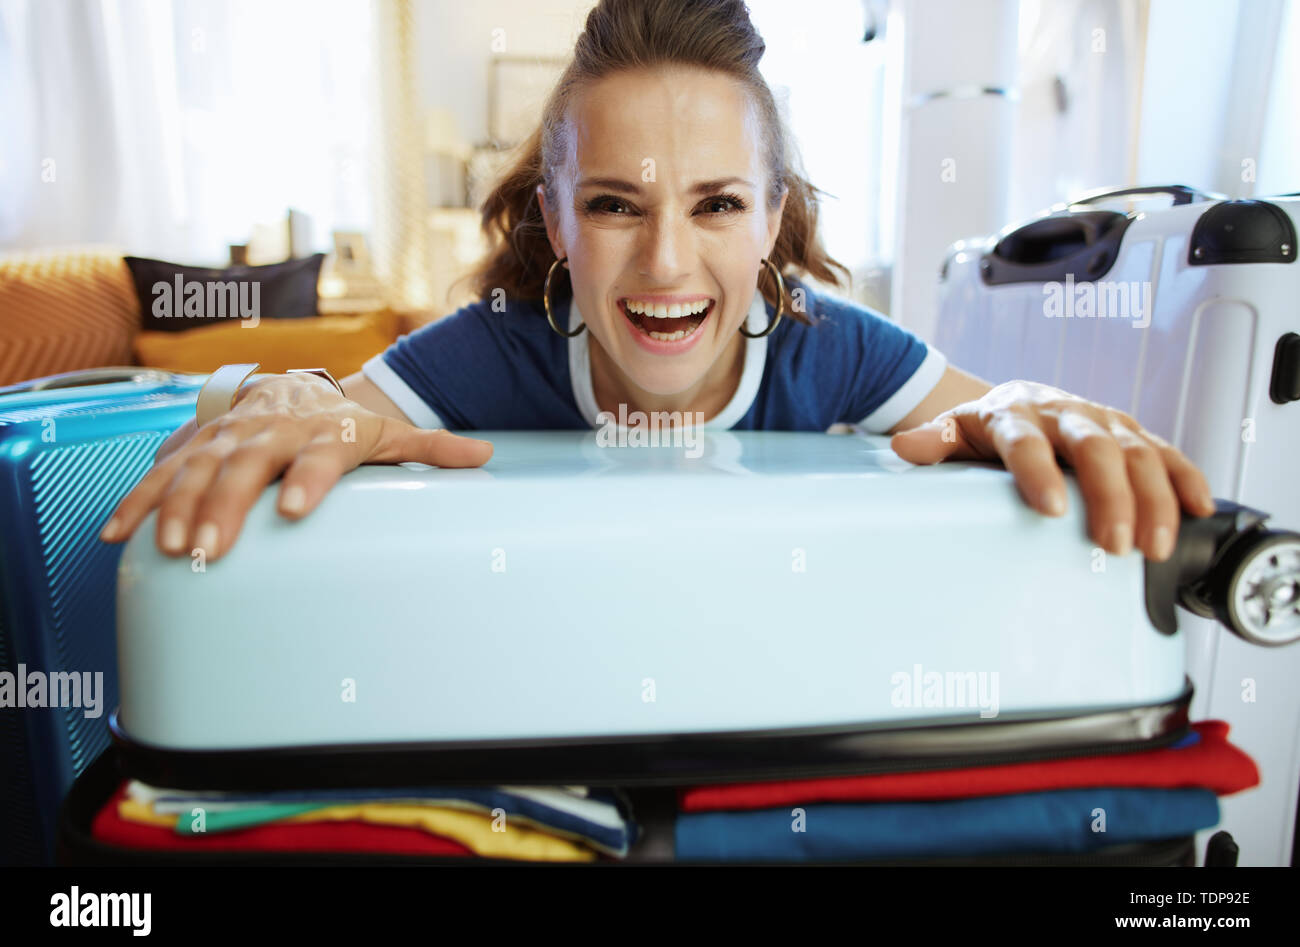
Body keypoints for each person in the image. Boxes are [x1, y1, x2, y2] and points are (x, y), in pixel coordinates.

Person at [100, 0, 1214, 563]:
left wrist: (1025, 402)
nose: (668, 265)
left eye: (718, 203)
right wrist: (286, 393)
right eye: (615, 205)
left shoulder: (828, 343)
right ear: (555, 218)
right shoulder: (495, 344)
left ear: (772, 216)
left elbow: (981, 406)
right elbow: (327, 415)